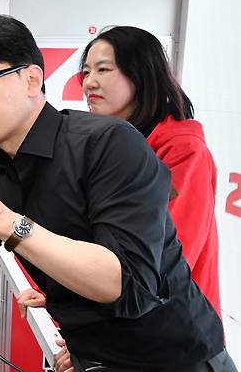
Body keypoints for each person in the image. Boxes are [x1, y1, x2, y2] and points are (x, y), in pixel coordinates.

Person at [0, 15, 234, 371]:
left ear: (31, 79)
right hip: (91, 357)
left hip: (178, 359)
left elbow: (125, 282)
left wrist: (3, 219)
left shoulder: (108, 143)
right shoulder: (1, 172)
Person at [81, 26, 220, 314]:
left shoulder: (183, 150)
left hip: (173, 335)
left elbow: (164, 266)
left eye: (103, 70)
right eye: (86, 72)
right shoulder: (116, 145)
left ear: (140, 73)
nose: (89, 83)